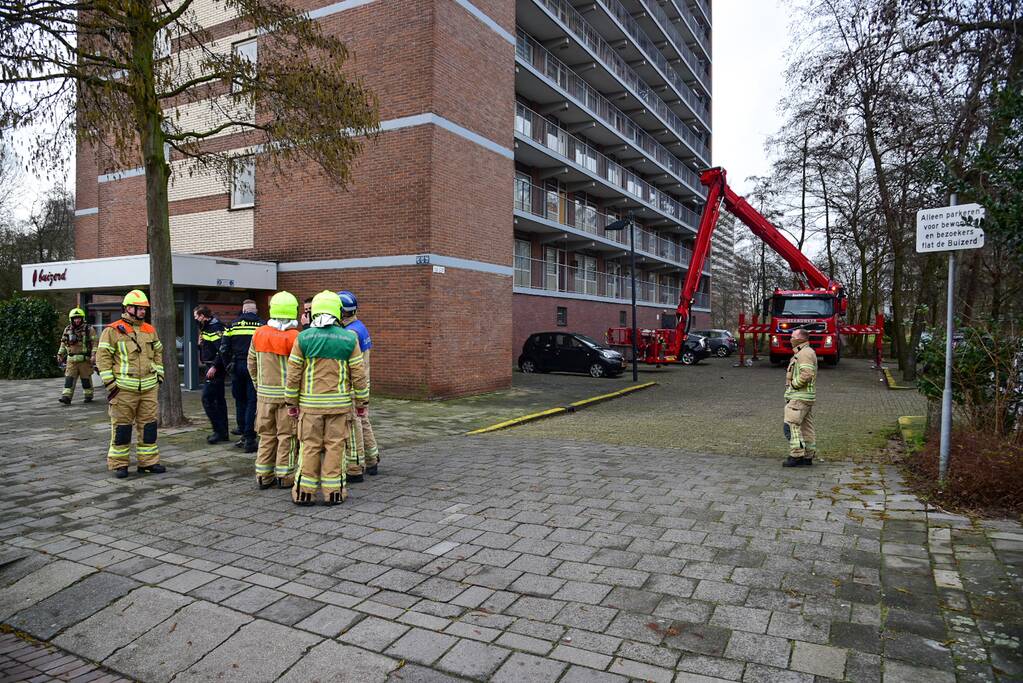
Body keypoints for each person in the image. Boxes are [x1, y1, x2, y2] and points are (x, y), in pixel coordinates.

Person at [285, 290, 369, 506]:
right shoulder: (349, 339)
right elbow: (358, 375)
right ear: (337, 311)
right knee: (335, 447)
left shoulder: (303, 338)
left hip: (310, 407)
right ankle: (334, 492)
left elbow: (293, 375)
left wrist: (291, 403)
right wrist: (361, 404)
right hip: (339, 406)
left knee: (310, 447)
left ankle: (304, 492)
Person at [95, 290, 166, 478]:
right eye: (139, 308)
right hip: (123, 390)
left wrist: (159, 374)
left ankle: (148, 463)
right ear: (128, 308)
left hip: (149, 388)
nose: (143, 312)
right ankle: (119, 464)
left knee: (149, 426)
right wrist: (111, 384)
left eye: (144, 309)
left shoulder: (150, 330)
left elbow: (158, 351)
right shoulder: (112, 330)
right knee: (122, 428)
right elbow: (102, 358)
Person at [248, 291, 301, 489]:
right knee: (287, 437)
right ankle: (285, 476)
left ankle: (263, 475)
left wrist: (258, 386)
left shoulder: (259, 334)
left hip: (264, 397)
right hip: (288, 398)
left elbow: (251, 363)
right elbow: (300, 369)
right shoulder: (296, 337)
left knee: (266, 436)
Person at [337, 290, 379, 480]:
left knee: (355, 426)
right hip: (362, 382)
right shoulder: (359, 326)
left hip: (354, 385)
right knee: (363, 422)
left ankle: (358, 463)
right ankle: (372, 460)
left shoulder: (350, 333)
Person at [221, 299, 263, 453]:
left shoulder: (232, 325)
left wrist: (228, 367)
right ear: (255, 311)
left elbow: (224, 349)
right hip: (255, 367)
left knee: (240, 401)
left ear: (243, 310)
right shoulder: (261, 325)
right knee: (253, 401)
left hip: (237, 366)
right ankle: (250, 437)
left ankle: (243, 433)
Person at [193, 305, 229, 444]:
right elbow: (209, 347)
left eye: (196, 316)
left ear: (203, 316)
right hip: (212, 366)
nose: (195, 319)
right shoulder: (206, 328)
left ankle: (218, 431)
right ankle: (223, 432)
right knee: (219, 401)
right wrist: (199, 344)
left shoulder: (215, 328)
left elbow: (222, 349)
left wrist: (214, 366)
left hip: (215, 369)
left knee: (207, 399)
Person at [783, 328, 818, 467]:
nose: (790, 339)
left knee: (790, 425)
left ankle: (796, 456)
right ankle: (808, 456)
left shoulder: (804, 353)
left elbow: (807, 374)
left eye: (793, 337)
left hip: (799, 397)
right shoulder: (805, 352)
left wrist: (794, 384)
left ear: (800, 339)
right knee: (806, 427)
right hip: (805, 397)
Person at [57, 307, 95, 404]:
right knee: (69, 379)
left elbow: (95, 343)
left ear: (82, 318)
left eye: (79, 318)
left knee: (86, 379)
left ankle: (88, 395)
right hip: (71, 360)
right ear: (71, 319)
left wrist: (93, 355)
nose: (77, 320)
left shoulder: (89, 329)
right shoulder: (67, 329)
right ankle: (66, 397)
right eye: (75, 318)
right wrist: (60, 354)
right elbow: (63, 343)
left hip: (84, 360)